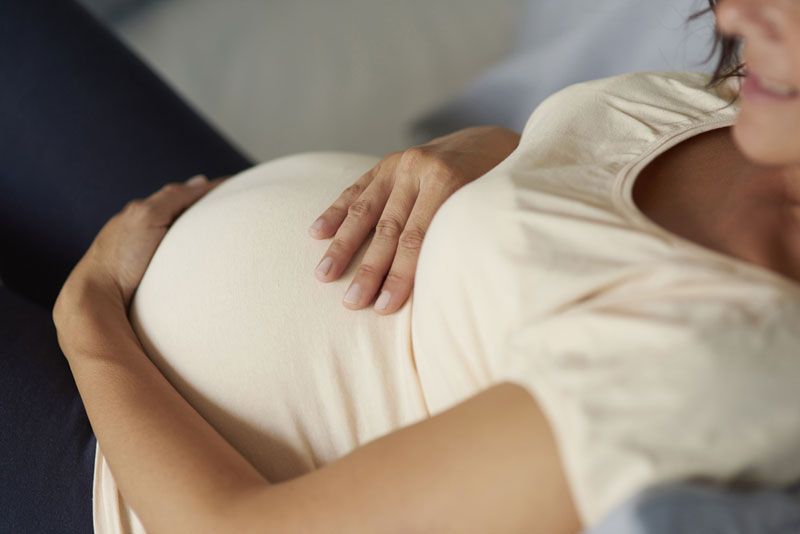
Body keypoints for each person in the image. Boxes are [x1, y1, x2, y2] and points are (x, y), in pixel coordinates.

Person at [6, 0, 800, 533]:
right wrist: (491, 149)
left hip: (120, 478)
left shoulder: (731, 371)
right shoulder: (761, 100)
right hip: (187, 218)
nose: (734, 14)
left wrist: (91, 322)